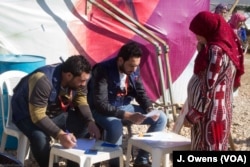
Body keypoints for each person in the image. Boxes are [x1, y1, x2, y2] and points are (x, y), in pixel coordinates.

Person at [87, 41, 167, 167]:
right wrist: (128, 115)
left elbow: (140, 92)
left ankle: (142, 159)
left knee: (161, 118)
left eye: (136, 66)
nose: (134, 69)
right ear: (120, 60)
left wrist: (149, 108)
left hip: (125, 107)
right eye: (131, 65)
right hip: (103, 111)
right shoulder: (102, 69)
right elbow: (101, 104)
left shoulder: (134, 69)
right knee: (115, 125)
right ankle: (115, 164)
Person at [12, 55, 101, 167]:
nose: (84, 84)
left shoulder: (79, 78)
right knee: (40, 138)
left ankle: (74, 163)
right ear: (69, 75)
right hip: (27, 114)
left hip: (53, 112)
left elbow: (81, 99)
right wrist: (60, 135)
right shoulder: (43, 80)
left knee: (84, 125)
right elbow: (37, 115)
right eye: (82, 81)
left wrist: (90, 121)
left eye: (85, 81)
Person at [185, 11, 244, 151]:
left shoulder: (215, 51)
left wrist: (193, 115)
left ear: (207, 30)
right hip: (218, 113)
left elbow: (208, 88)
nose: (196, 36)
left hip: (210, 115)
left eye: (198, 32)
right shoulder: (224, 47)